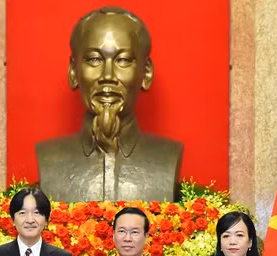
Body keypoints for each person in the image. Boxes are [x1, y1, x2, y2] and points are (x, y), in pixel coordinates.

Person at [36, 6, 183, 202]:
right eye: (94, 59)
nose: (107, 76)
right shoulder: (50, 158)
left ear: (146, 73)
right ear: (73, 71)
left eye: (123, 61)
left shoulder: (167, 157)